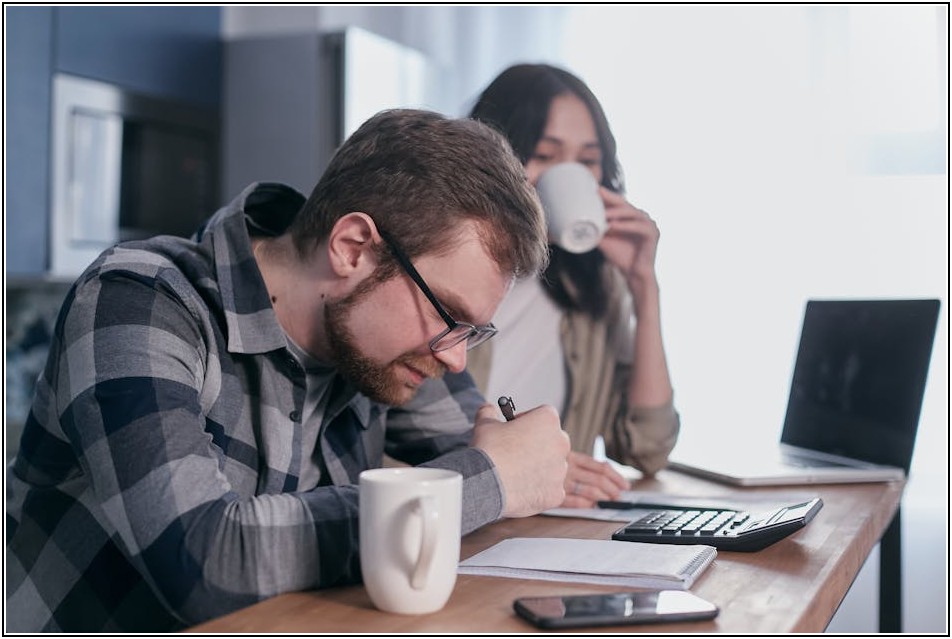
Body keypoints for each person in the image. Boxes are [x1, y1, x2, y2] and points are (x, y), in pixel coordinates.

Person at [5, 109, 570, 633]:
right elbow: (201, 561)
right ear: (352, 248)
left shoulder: (377, 341)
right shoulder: (137, 298)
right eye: (451, 316)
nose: (456, 358)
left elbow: (482, 454)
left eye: (474, 330)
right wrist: (492, 477)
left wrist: (511, 466)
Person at [463, 63, 680, 508]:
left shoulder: (596, 285)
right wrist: (515, 477)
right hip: (465, 521)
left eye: (586, 161)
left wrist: (644, 288)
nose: (570, 177)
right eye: (544, 155)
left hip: (552, 530)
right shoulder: (447, 272)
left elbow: (646, 448)